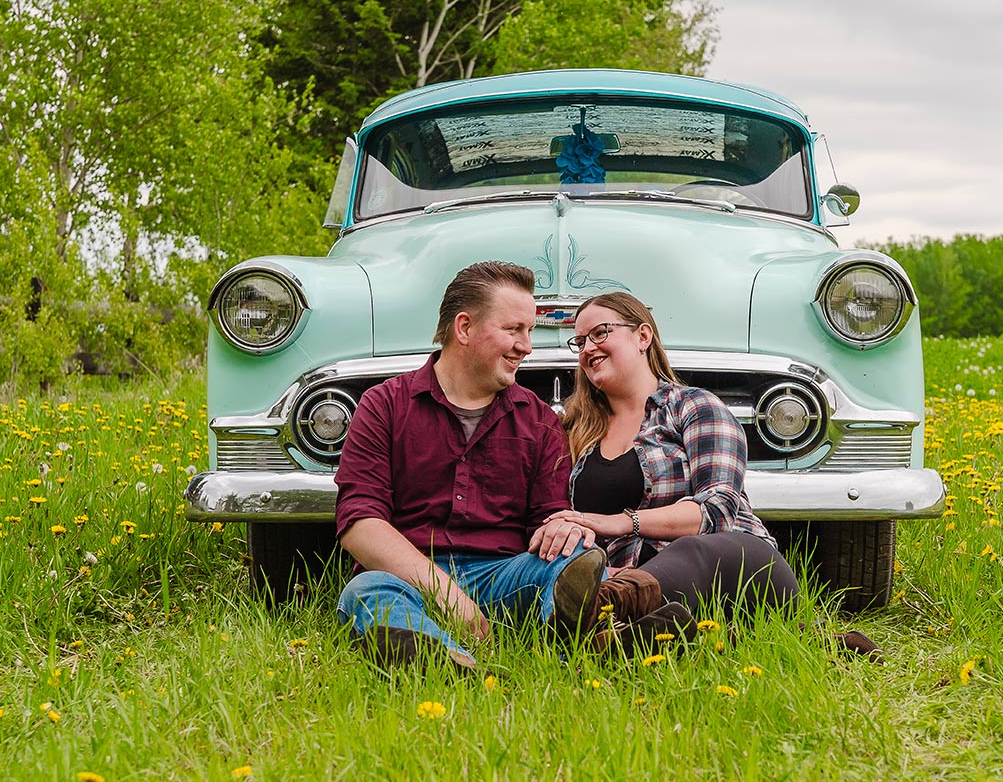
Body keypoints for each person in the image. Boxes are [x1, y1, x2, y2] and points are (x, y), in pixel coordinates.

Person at [334, 262, 606, 672]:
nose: (526, 346)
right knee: (367, 590)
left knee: (575, 561)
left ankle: (568, 647)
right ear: (464, 328)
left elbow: (546, 520)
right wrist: (447, 595)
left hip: (504, 576)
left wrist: (561, 527)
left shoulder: (538, 421)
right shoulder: (384, 405)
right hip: (409, 576)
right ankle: (449, 659)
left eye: (529, 331)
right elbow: (360, 523)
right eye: (513, 330)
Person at [534, 291, 800, 652]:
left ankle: (597, 610)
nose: (586, 349)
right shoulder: (576, 431)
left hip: (737, 567)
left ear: (643, 336)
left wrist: (620, 522)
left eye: (599, 333)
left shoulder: (694, 406)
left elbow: (717, 511)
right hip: (635, 579)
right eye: (579, 342)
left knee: (692, 549)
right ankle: (639, 636)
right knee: (646, 611)